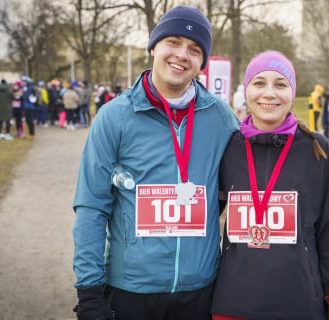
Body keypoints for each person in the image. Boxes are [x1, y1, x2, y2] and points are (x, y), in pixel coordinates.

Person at [72, 5, 239, 320]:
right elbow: (91, 206)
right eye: (173, 42)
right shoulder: (114, 116)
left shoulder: (221, 118)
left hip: (200, 289)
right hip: (131, 290)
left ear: (202, 62)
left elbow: (249, 177)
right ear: (153, 47)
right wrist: (89, 292)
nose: (182, 55)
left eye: (194, 49)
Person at [211, 51, 329, 320]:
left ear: (292, 91)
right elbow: (206, 218)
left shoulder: (316, 148)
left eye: (280, 84)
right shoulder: (228, 148)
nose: (269, 93)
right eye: (259, 83)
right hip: (233, 302)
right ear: (247, 90)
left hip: (298, 301)